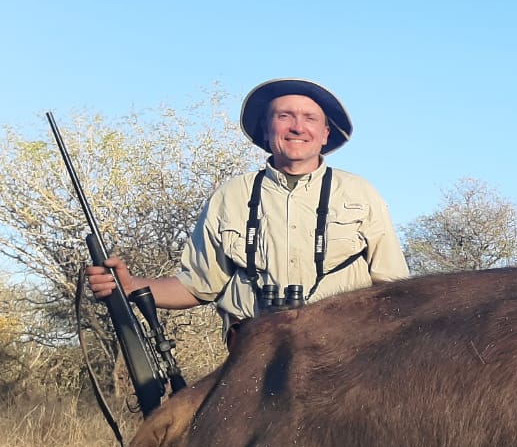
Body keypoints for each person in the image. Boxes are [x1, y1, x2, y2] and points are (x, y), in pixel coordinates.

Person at [89, 78, 409, 347]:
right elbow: (198, 285)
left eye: (310, 118)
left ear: (325, 134)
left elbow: (397, 292)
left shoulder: (361, 193)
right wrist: (129, 287)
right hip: (252, 357)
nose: (298, 127)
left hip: (344, 355)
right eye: (285, 116)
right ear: (266, 129)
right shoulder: (230, 196)